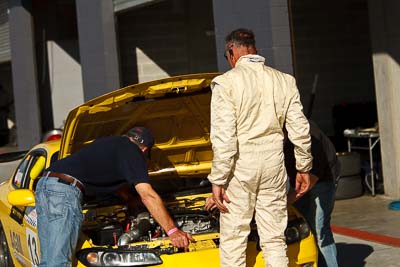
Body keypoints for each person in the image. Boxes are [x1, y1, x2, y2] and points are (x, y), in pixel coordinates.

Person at [207, 28, 313, 267]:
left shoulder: (225, 83)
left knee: (234, 239)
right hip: (273, 165)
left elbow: (224, 139)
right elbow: (300, 130)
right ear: (254, 49)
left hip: (240, 167)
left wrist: (218, 179)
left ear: (231, 52)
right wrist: (303, 167)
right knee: (274, 238)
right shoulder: (284, 80)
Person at [35, 126, 194, 267]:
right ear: (145, 150)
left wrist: (130, 200)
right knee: (58, 262)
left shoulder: (109, 143)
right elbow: (147, 195)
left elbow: (107, 177)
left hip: (47, 185)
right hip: (64, 191)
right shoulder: (132, 151)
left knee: (50, 261)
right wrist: (173, 231)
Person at [285, 120, 340, 267]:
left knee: (320, 229)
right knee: (305, 227)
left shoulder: (306, 132)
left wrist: (289, 199)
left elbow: (315, 174)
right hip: (297, 179)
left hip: (322, 179)